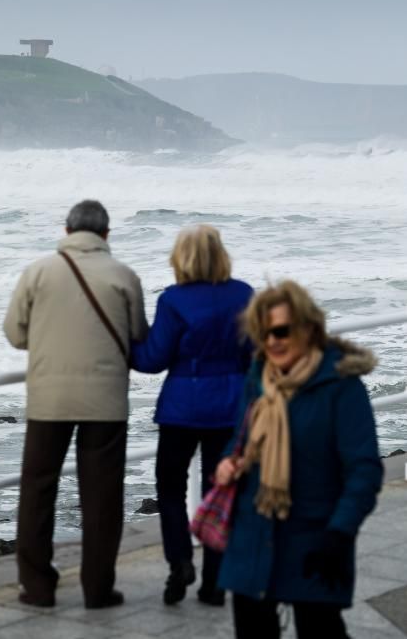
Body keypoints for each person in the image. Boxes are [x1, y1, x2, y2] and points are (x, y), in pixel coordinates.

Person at [215, 280, 383, 639]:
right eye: (264, 333)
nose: (272, 341)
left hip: (315, 540)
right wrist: (228, 462)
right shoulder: (258, 378)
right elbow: (238, 439)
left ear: (308, 328)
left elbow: (364, 469)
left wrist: (339, 533)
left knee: (320, 631)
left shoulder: (341, 385)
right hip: (253, 538)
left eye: (281, 331)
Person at [4, 200, 148, 609]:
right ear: (106, 235)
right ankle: (98, 589)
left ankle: (38, 587)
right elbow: (138, 334)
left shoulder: (38, 271)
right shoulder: (123, 275)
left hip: (49, 399)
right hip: (105, 402)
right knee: (102, 497)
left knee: (37, 491)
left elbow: (14, 334)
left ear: (67, 232)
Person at [131, 224, 254, 607]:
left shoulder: (174, 300)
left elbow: (153, 359)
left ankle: (180, 561)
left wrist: (125, 348)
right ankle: (215, 582)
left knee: (170, 487)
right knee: (220, 490)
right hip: (229, 407)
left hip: (182, 408)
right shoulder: (244, 294)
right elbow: (254, 357)